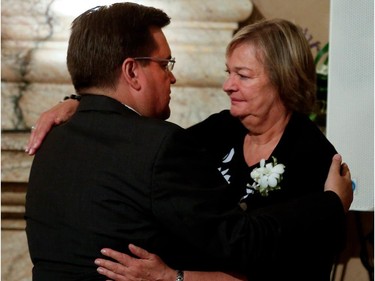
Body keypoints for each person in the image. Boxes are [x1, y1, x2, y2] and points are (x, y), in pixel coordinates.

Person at [24, 3, 352, 281]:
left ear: (284, 78)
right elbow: (237, 238)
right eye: (164, 64)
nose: (227, 85)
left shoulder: (311, 152)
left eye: (243, 75)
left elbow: (285, 255)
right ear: (131, 72)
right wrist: (81, 102)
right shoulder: (209, 133)